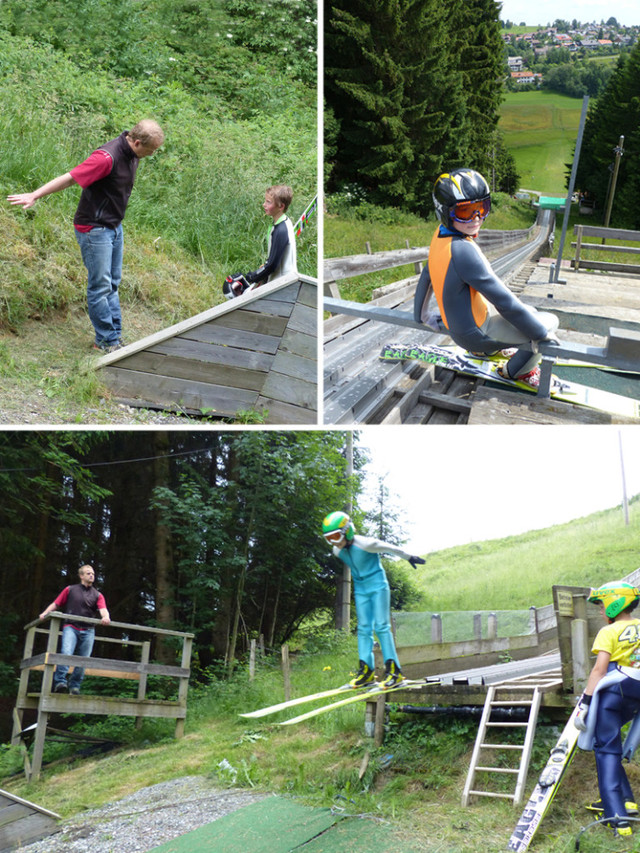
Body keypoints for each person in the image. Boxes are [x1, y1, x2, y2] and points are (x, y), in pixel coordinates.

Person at [7, 120, 164, 353]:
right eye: (151, 151)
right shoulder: (106, 158)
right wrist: (35, 194)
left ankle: (115, 337)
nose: (152, 155)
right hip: (94, 229)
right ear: (138, 142)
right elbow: (71, 177)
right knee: (100, 286)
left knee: (112, 283)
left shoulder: (133, 155)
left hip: (113, 227)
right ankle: (106, 341)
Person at [413, 168, 560, 388]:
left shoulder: (440, 234)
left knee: (532, 313)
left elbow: (427, 274)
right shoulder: (464, 250)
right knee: (548, 323)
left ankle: (489, 349)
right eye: (465, 212)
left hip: (464, 325)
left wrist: (421, 315)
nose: (476, 219)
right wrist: (541, 336)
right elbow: (505, 302)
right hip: (475, 334)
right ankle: (516, 372)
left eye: (482, 208)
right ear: (445, 211)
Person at [322, 511, 425, 689]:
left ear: (347, 531)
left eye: (336, 536)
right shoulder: (337, 551)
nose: (334, 542)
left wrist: (409, 557)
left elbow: (390, 547)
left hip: (378, 586)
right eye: (329, 538)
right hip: (361, 589)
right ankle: (366, 673)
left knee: (382, 627)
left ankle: (395, 673)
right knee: (363, 629)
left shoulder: (367, 544)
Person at [575, 582, 640, 839]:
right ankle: (628, 801)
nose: (601, 611)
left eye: (602, 605)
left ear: (615, 603)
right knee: (611, 745)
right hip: (636, 693)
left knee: (606, 751)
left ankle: (617, 820)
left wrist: (586, 702)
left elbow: (600, 670)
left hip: (614, 693)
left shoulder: (608, 631)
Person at [39, 564, 111, 694]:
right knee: (66, 652)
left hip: (88, 629)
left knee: (84, 659)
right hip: (71, 626)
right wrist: (45, 613)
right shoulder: (70, 589)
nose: (91, 575)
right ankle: (60, 682)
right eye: (88, 573)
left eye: (93, 574)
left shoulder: (97, 595)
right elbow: (56, 603)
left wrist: (106, 617)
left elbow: (103, 610)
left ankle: (75, 686)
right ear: (81, 575)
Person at [245, 185, 297, 287]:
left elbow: (272, 265)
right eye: (265, 201)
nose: (264, 204)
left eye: (269, 202)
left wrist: (253, 276)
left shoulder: (281, 230)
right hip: (283, 281)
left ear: (281, 206)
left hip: (282, 283)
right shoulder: (285, 221)